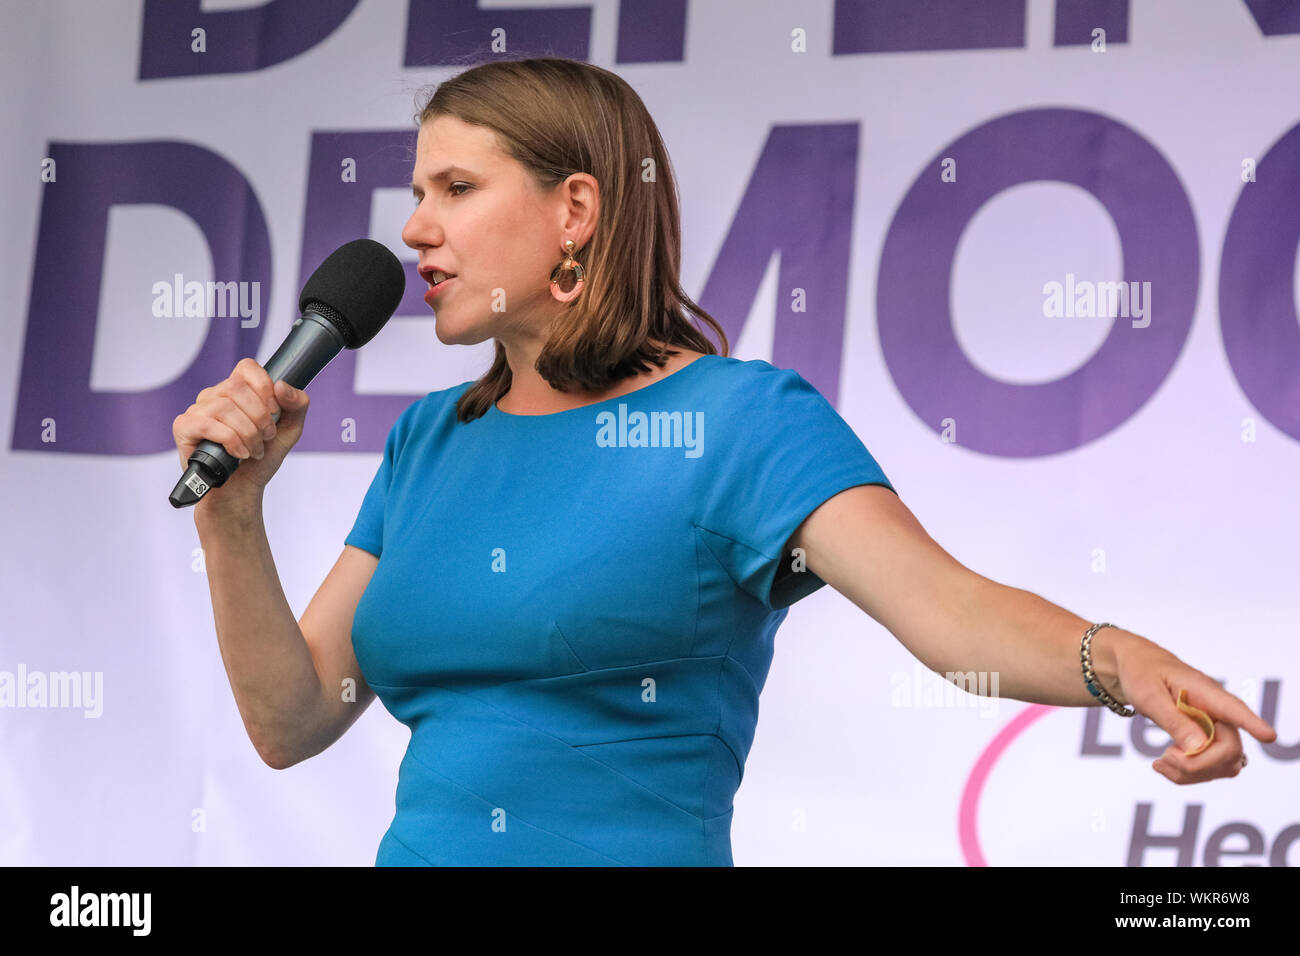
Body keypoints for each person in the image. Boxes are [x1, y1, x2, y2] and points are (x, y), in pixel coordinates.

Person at [173, 57, 1278, 866]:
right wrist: (233, 513)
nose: (414, 229)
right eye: (416, 193)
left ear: (575, 210)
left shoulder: (739, 419)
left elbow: (947, 615)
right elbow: (295, 717)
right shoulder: (429, 438)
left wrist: (1119, 662)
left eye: (455, 189)